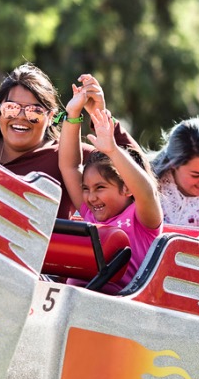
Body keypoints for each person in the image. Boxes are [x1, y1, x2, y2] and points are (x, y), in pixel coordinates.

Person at [0, 59, 136, 219]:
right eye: (11, 108)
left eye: (33, 111)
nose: (20, 117)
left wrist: (100, 117)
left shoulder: (67, 156)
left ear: (50, 117)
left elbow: (138, 173)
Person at [58, 80, 163, 293]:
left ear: (127, 189)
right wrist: (73, 115)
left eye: (100, 188)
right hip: (77, 300)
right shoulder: (90, 212)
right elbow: (69, 166)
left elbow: (146, 191)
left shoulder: (143, 219)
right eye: (86, 189)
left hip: (118, 307)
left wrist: (113, 150)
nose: (90, 197)